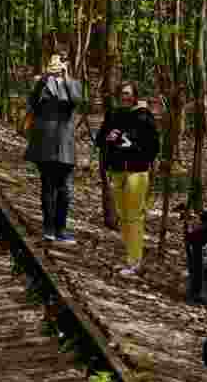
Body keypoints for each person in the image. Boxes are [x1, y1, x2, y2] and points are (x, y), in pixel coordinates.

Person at [95, 81, 160, 275]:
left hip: (137, 172)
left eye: (128, 94)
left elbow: (152, 147)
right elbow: (100, 139)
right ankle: (130, 259)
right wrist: (109, 137)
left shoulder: (144, 117)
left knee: (134, 216)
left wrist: (127, 143)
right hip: (116, 171)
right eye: (122, 93)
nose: (125, 97)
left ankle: (135, 261)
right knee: (123, 217)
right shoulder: (113, 114)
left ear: (135, 96)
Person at [24, 53, 83, 243]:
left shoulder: (73, 83)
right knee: (48, 185)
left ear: (67, 63)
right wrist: (43, 79)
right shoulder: (40, 82)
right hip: (45, 141)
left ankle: (61, 228)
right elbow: (32, 102)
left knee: (65, 189)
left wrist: (65, 77)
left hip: (65, 142)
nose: (58, 64)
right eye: (55, 61)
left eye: (62, 61)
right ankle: (48, 227)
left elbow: (75, 101)